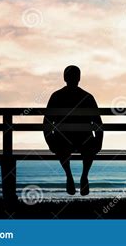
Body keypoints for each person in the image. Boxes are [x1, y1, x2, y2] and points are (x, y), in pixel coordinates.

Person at [43, 66, 103, 196]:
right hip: (84, 140)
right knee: (90, 146)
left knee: (60, 145)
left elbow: (47, 123)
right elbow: (98, 123)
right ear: (79, 78)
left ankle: (69, 176)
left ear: (64, 78)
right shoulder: (87, 97)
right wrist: (99, 142)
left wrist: (50, 142)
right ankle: (84, 176)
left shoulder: (56, 96)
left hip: (62, 141)